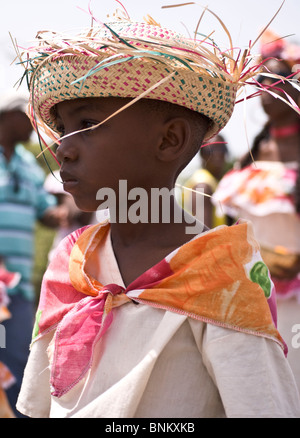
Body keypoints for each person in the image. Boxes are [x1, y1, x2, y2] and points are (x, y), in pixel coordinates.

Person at [15, 9, 300, 418]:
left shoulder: (222, 273)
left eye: (89, 123)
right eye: (63, 128)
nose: (63, 148)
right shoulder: (71, 263)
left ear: (170, 140)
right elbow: (37, 405)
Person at [213, 30, 300, 393]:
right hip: (255, 287)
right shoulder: (250, 155)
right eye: (260, 81)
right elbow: (235, 228)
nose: (264, 88)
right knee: (259, 381)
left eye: (274, 79)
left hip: (296, 290)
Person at [0, 90, 69, 416]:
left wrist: (75, 205)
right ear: (7, 118)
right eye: (27, 117)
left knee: (16, 359)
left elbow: (46, 213)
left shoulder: (28, 164)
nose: (34, 125)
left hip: (20, 286)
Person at [182, 134, 232, 228]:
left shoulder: (214, 183)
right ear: (202, 153)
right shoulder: (202, 185)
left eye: (222, 149)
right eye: (212, 149)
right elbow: (203, 235)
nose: (218, 154)